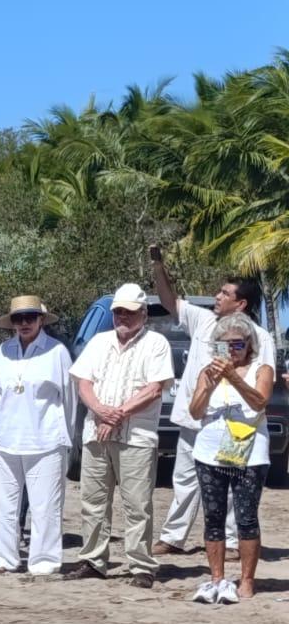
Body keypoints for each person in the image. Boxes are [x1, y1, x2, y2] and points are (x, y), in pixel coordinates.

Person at [149, 246, 274, 559]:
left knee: (230, 486)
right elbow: (168, 301)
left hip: (233, 424)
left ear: (241, 303)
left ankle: (231, 543)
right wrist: (157, 266)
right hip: (195, 417)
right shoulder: (203, 321)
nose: (217, 296)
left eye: (224, 292)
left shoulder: (259, 335)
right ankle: (173, 537)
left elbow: (263, 381)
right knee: (184, 481)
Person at [66, 283, 175, 588]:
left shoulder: (156, 343)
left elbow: (154, 388)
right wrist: (101, 410)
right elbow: (83, 383)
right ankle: (93, 560)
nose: (122, 317)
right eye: (118, 312)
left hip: (136, 437)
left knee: (137, 503)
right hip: (96, 432)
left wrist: (118, 414)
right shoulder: (99, 342)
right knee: (93, 500)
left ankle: (141, 565)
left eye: (128, 312)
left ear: (143, 314)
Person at [0, 295, 75, 576]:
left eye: (30, 318)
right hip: (3, 436)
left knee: (45, 505)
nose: (24, 324)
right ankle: (3, 557)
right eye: (18, 319)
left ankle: (44, 561)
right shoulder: (4, 351)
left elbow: (69, 398)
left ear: (41, 320)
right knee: (2, 503)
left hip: (45, 438)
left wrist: (66, 438)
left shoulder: (56, 351)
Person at [188, 314, 272, 603]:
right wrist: (211, 383)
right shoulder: (206, 372)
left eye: (238, 344)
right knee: (213, 516)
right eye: (225, 346)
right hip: (210, 451)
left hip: (249, 452)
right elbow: (196, 412)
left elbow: (259, 401)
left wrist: (233, 377)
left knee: (246, 517)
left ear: (249, 345)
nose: (232, 351)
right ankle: (217, 578)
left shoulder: (261, 369)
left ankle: (247, 580)